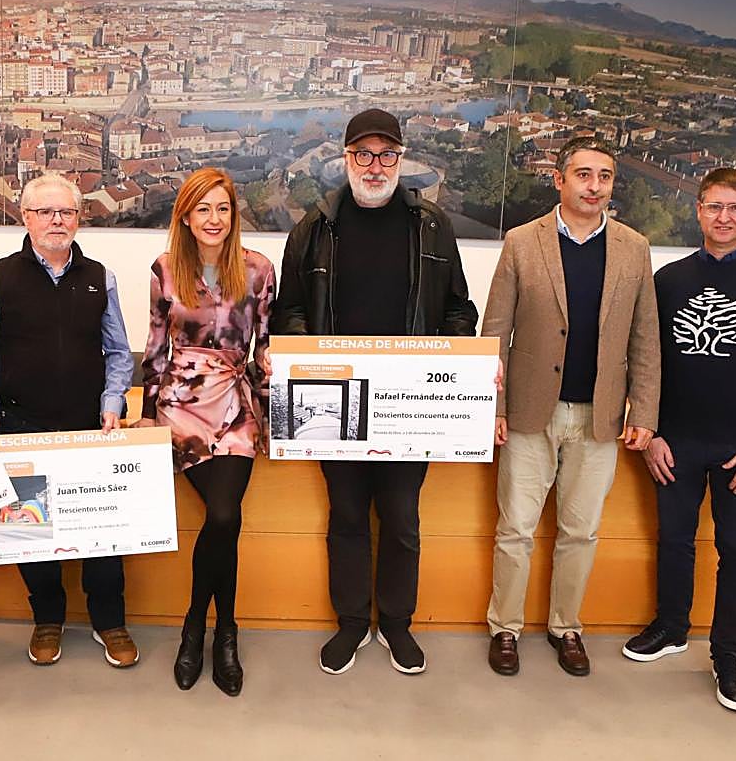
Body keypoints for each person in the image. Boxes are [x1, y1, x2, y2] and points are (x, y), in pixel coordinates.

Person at [271, 109, 478, 675]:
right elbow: (289, 311)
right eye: (363, 154)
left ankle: (397, 623)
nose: (375, 165)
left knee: (402, 517)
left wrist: (459, 365)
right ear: (346, 159)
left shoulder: (431, 225)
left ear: (401, 160)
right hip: (332, 400)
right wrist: (303, 355)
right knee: (346, 515)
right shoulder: (314, 228)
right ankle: (351, 622)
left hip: (410, 406)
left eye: (387, 154)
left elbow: (459, 308)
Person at [624, 168, 736, 712]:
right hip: (675, 444)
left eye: (735, 207)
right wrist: (651, 432)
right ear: (698, 210)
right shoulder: (668, 280)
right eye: (713, 206)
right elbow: (644, 362)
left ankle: (729, 656)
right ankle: (671, 627)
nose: (723, 217)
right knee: (674, 541)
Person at [482, 136, 660, 678]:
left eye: (604, 176)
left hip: (600, 416)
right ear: (559, 180)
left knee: (581, 532)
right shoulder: (522, 241)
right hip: (530, 411)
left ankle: (566, 628)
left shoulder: (634, 248)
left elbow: (645, 337)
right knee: (515, 529)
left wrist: (644, 413)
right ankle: (505, 628)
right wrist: (493, 405)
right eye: (583, 174)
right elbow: (496, 330)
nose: (594, 186)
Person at [0, 172, 138, 668]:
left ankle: (110, 621)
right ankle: (47, 619)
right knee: (31, 532)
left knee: (105, 532)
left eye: (67, 212)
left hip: (89, 427)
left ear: (79, 218)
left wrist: (113, 402)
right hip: (22, 426)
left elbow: (119, 351)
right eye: (45, 211)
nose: (57, 220)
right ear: (26, 217)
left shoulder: (101, 276)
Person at [136, 167, 275, 696]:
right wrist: (147, 415)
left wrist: (276, 416)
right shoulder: (165, 269)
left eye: (223, 208)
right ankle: (218, 632)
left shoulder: (259, 270)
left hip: (236, 405)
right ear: (186, 218)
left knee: (223, 516)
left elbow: (265, 348)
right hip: (181, 407)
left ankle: (203, 626)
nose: (214, 219)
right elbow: (156, 348)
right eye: (203, 209)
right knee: (224, 522)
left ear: (234, 215)